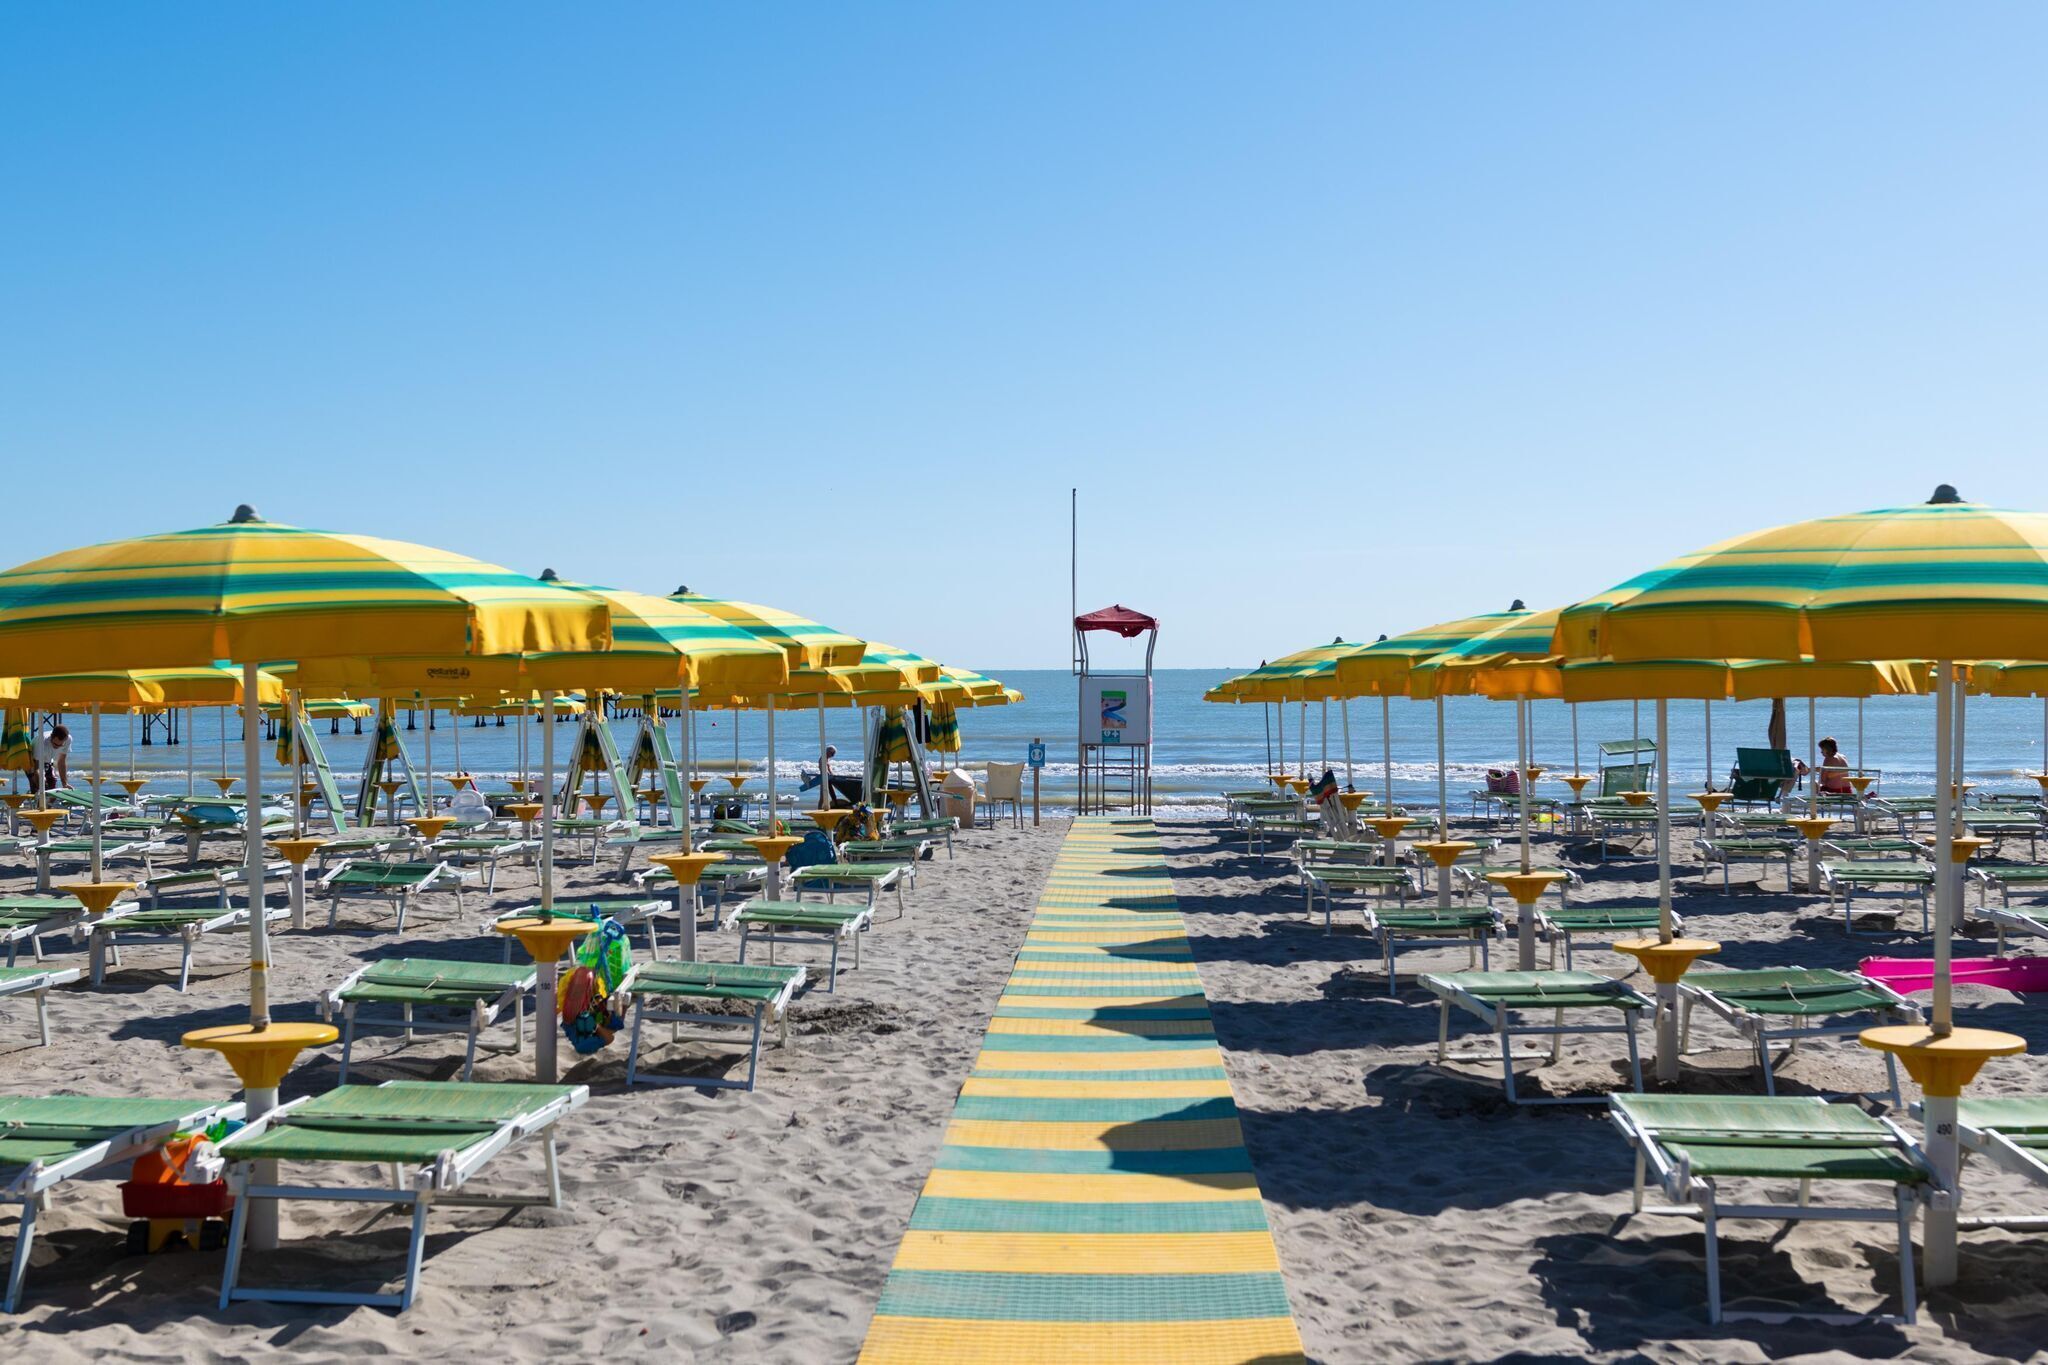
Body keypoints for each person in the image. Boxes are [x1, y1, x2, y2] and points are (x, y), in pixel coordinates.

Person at [30, 722, 70, 796]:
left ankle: (48, 802)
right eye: (55, 744)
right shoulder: (42, 742)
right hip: (32, 759)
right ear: (51, 736)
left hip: (47, 759)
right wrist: (42, 787)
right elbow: (37, 768)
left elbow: (61, 762)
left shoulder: (68, 739)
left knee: (53, 788)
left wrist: (65, 783)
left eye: (60, 745)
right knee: (39, 786)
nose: (57, 747)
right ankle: (36, 798)